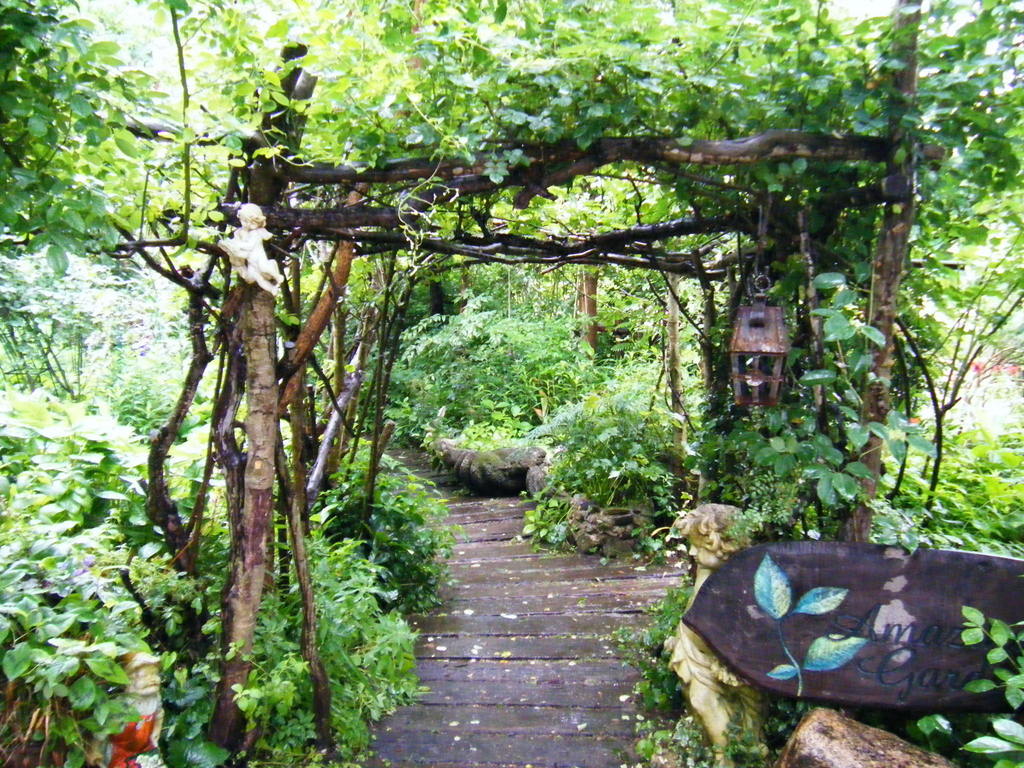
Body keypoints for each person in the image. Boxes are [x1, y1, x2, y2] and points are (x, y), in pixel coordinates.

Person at [664, 504, 764, 766]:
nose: (692, 552)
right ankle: (724, 750)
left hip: (716, 659)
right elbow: (693, 612)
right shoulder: (707, 572)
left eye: (699, 546)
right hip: (695, 653)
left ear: (723, 546)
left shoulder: (737, 583)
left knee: (705, 701)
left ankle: (726, 756)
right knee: (700, 701)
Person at [219, 203, 282, 295]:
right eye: (243, 221)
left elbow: (249, 246)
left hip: (259, 259)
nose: (245, 224)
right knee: (258, 278)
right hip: (251, 263)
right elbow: (237, 244)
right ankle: (271, 289)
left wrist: (237, 245)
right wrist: (228, 244)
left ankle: (277, 276)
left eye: (248, 221)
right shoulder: (240, 232)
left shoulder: (257, 233)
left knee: (264, 267)